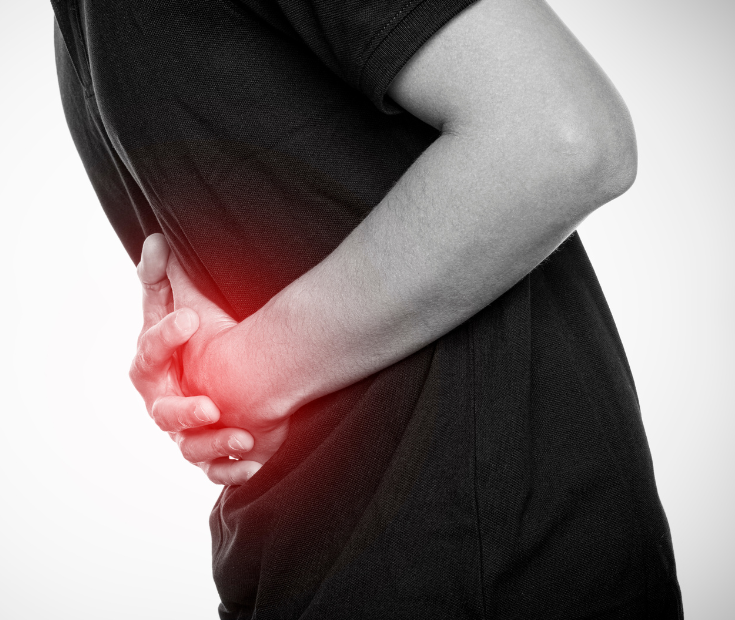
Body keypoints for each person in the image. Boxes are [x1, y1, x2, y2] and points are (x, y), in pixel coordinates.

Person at [52, 0, 682, 617]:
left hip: (482, 557)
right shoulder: (77, 22)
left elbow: (561, 135)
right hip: (308, 555)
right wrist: (188, 374)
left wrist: (250, 373)